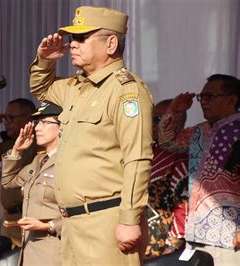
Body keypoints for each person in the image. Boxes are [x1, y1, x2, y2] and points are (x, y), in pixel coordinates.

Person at [29, 6, 153, 265]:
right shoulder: (77, 87)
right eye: (72, 38)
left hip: (105, 221)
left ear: (110, 43)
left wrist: (129, 220)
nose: (72, 44)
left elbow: (137, 158)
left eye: (82, 38)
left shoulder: (126, 91)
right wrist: (46, 61)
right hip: (72, 224)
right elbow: (41, 89)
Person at [158, 74, 240, 264]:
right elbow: (167, 142)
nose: (204, 102)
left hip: (230, 234)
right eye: (201, 97)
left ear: (232, 99)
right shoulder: (200, 131)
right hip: (198, 232)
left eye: (210, 96)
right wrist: (173, 112)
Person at [1, 102, 63, 265]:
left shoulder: (69, 162)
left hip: (54, 251)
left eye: (44, 122)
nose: (37, 128)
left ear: (62, 126)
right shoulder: (39, 160)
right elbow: (8, 182)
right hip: (30, 250)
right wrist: (17, 151)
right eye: (37, 122)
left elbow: (82, 213)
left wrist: (48, 225)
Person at [0, 98, 38, 247]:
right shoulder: (11, 144)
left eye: (11, 118)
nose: (6, 122)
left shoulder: (40, 142)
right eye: (5, 118)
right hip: (9, 218)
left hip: (30, 215)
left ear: (29, 118)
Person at [145, 99, 189, 259]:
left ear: (175, 122)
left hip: (163, 247)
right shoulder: (147, 151)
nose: (152, 124)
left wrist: (173, 243)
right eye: (150, 119)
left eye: (158, 119)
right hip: (140, 241)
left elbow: (184, 204)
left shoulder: (182, 157)